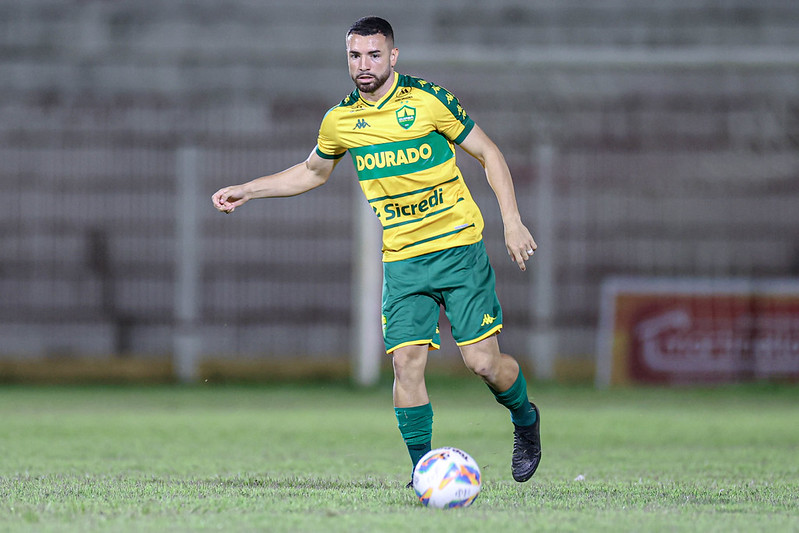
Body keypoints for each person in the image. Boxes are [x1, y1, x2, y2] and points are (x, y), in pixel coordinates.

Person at [212, 16, 541, 484]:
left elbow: (490, 153)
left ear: (393, 56)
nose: (363, 65)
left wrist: (511, 221)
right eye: (354, 55)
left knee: (483, 364)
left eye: (373, 54)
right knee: (406, 363)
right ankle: (423, 472)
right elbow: (311, 172)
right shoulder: (341, 120)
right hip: (403, 259)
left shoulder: (427, 100)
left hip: (458, 250)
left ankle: (526, 420)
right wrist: (249, 188)